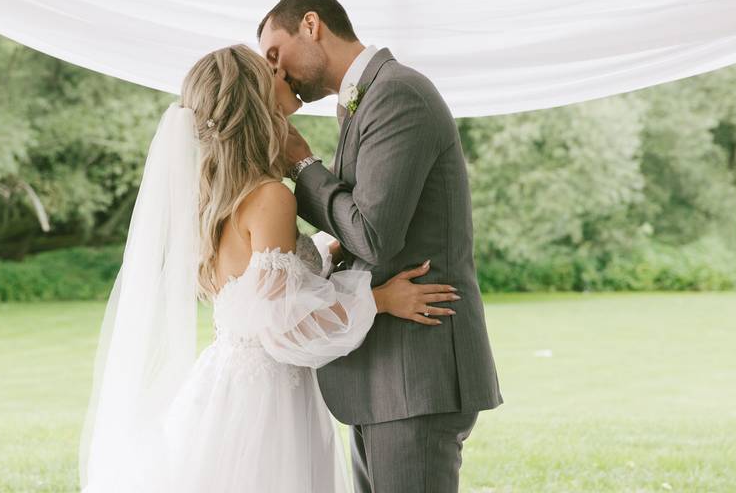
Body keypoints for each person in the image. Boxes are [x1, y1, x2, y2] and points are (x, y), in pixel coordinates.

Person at [78, 44, 458, 492]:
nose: (282, 72)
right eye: (270, 71)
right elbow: (283, 325)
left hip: (227, 386)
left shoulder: (216, 200)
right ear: (257, 102)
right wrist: (379, 299)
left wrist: (325, 250)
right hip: (268, 402)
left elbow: (260, 286)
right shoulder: (272, 197)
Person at [258, 0, 503, 493]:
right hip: (385, 373)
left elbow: (373, 234)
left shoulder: (398, 93)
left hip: (416, 373)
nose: (276, 74)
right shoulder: (362, 101)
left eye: (275, 55)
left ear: (311, 24)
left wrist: (304, 166)